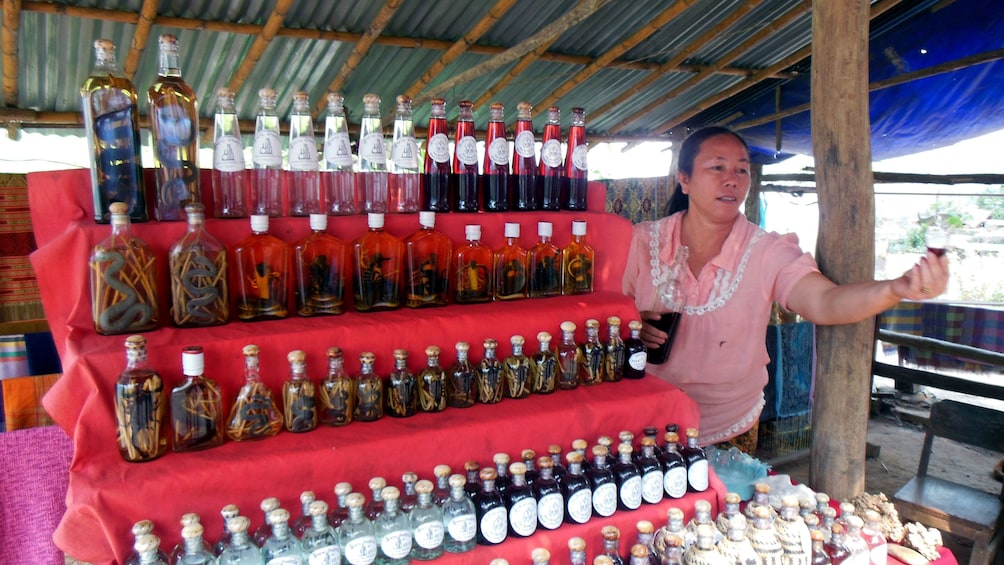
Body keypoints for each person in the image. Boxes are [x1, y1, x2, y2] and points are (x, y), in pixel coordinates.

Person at [622, 126, 949, 453]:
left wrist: (896, 288)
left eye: (741, 169)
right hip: (644, 416)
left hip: (726, 428)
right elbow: (601, 312)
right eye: (717, 167)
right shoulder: (643, 241)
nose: (732, 179)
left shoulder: (766, 252)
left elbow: (825, 301)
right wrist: (630, 323)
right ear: (685, 179)